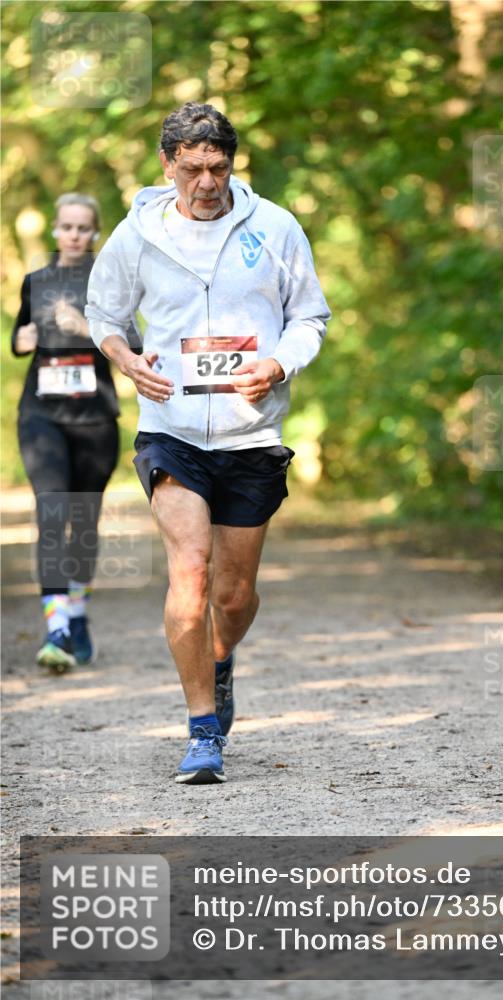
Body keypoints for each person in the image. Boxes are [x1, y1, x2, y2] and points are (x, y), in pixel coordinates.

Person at [86, 102, 330, 785]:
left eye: (217, 167)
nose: (205, 182)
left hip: (252, 433)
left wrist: (278, 364)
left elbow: (309, 316)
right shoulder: (137, 236)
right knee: (189, 574)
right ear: (167, 165)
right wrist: (126, 360)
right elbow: (104, 314)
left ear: (232, 164)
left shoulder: (275, 227)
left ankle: (219, 660)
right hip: (172, 429)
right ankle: (201, 731)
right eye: (191, 169)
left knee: (233, 594)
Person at [12, 193, 122, 671]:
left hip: (94, 419)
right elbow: (20, 336)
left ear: (95, 233)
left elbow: (135, 343)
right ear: (55, 229)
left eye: (83, 228)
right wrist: (22, 339)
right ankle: (55, 628)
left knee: (85, 521)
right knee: (53, 512)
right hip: (42, 416)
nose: (74, 235)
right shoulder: (36, 281)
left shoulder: (110, 280)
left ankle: (77, 614)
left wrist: (86, 328)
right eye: (67, 227)